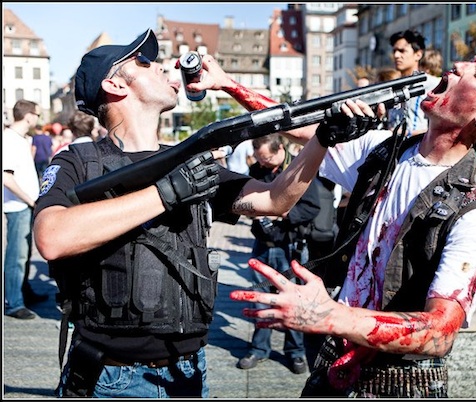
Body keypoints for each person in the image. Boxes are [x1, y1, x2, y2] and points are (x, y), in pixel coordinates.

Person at [227, 22, 476, 397]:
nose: (457, 66)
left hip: (399, 385)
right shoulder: (385, 150)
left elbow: (440, 332)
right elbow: (298, 126)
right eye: (467, 62)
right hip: (333, 368)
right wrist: (226, 82)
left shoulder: (475, 214)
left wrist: (329, 315)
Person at [32, 28, 378, 398]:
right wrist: (167, 192)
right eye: (145, 62)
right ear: (116, 86)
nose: (164, 67)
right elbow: (51, 237)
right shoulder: (79, 161)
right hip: (110, 375)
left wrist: (322, 139)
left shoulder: (190, 160)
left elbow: (275, 201)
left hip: (188, 371)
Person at [237, 134, 321, 375]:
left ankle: (295, 352)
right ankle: (258, 348)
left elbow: (313, 207)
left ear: (280, 149)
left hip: (288, 245)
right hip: (262, 244)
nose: (264, 164)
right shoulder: (255, 169)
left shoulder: (298, 169)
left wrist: (282, 213)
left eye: (269, 158)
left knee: (292, 298)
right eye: (261, 159)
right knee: (260, 298)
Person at [3, 99, 47, 320]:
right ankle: (13, 302)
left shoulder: (19, 139)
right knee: (17, 256)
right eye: (37, 115)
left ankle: (23, 292)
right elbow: (6, 178)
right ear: (29, 115)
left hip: (24, 204)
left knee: (24, 253)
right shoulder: (9, 139)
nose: (37, 119)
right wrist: (31, 200)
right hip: (18, 205)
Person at [389, 29, 441, 137]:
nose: (396, 55)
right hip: (393, 148)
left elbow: (442, 127)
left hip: (419, 149)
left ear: (418, 54)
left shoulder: (434, 84)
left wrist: (406, 133)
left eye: (402, 51)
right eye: (394, 51)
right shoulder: (391, 86)